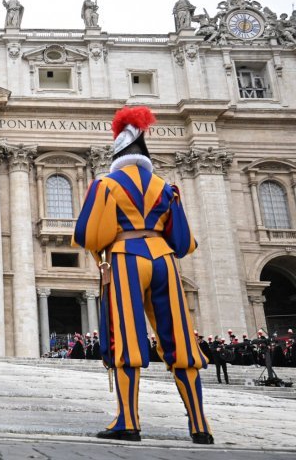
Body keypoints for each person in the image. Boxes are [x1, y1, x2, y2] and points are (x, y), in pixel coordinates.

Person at [73, 105, 213, 444]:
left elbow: (88, 235)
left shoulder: (106, 184)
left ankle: (128, 421)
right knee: (179, 338)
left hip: (125, 259)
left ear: (118, 153)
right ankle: (199, 426)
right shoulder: (167, 188)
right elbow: (182, 241)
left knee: (126, 337)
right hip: (164, 261)